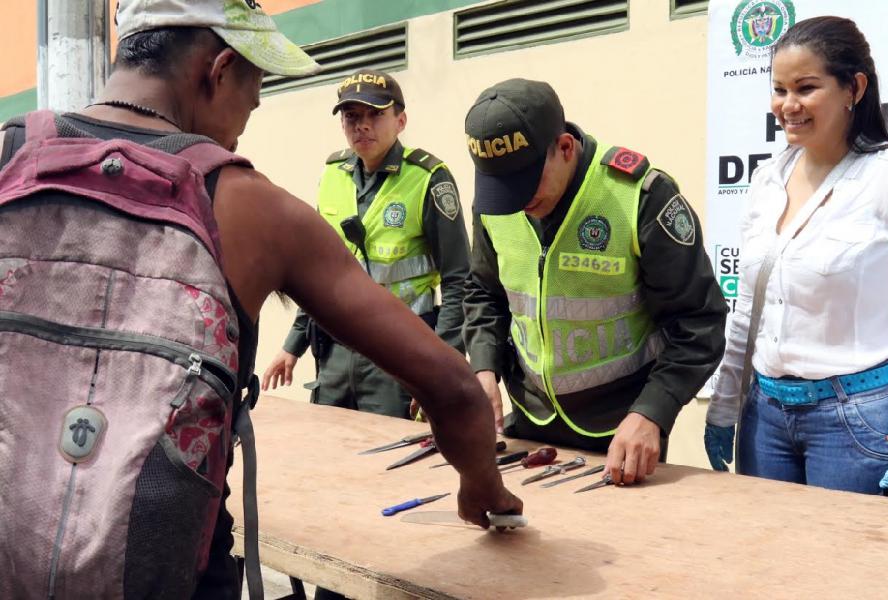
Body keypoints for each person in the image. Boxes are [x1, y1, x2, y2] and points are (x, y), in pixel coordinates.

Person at [0, 1, 521, 598]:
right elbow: (454, 389)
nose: (252, 111)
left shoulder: (11, 156)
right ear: (219, 70)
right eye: (255, 88)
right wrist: (483, 488)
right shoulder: (250, 207)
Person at [463, 78, 727, 486]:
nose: (517, 202)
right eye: (502, 188)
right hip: (531, 420)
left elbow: (698, 323)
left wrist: (653, 411)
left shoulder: (639, 196)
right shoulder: (498, 201)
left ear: (565, 148)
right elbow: (484, 291)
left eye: (525, 182)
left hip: (623, 430)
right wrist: (483, 368)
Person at [704, 16, 888, 496]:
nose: (788, 105)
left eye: (806, 88)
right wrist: (725, 404)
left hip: (860, 423)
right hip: (764, 417)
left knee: (846, 548)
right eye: (779, 89)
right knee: (766, 544)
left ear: (854, 88)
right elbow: (747, 309)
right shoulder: (767, 179)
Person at [261, 69, 470, 421]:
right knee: (331, 445)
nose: (362, 125)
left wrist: (443, 366)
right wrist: (293, 344)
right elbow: (317, 270)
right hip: (336, 353)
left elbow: (458, 280)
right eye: (352, 116)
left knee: (393, 447)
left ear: (400, 121)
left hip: (401, 353)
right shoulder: (333, 174)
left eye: (375, 114)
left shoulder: (428, 179)